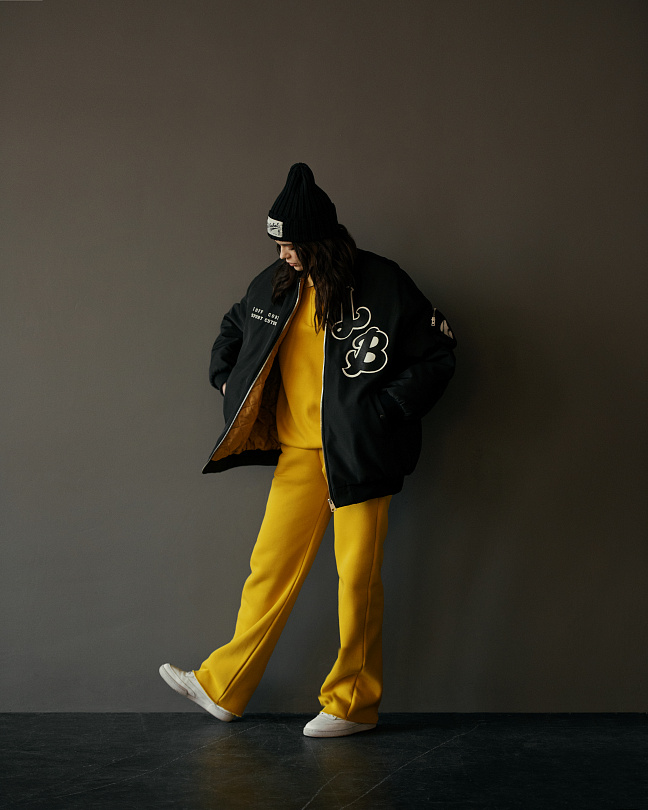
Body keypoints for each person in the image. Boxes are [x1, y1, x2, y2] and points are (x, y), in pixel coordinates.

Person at [159, 163, 456, 737]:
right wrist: (227, 379)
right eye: (279, 245)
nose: (284, 255)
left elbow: (438, 354)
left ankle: (352, 703)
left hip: (361, 455)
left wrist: (385, 412)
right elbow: (233, 328)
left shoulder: (382, 282)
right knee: (268, 570)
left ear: (321, 240)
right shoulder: (274, 285)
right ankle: (224, 686)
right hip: (299, 454)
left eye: (292, 246)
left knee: (357, 580)